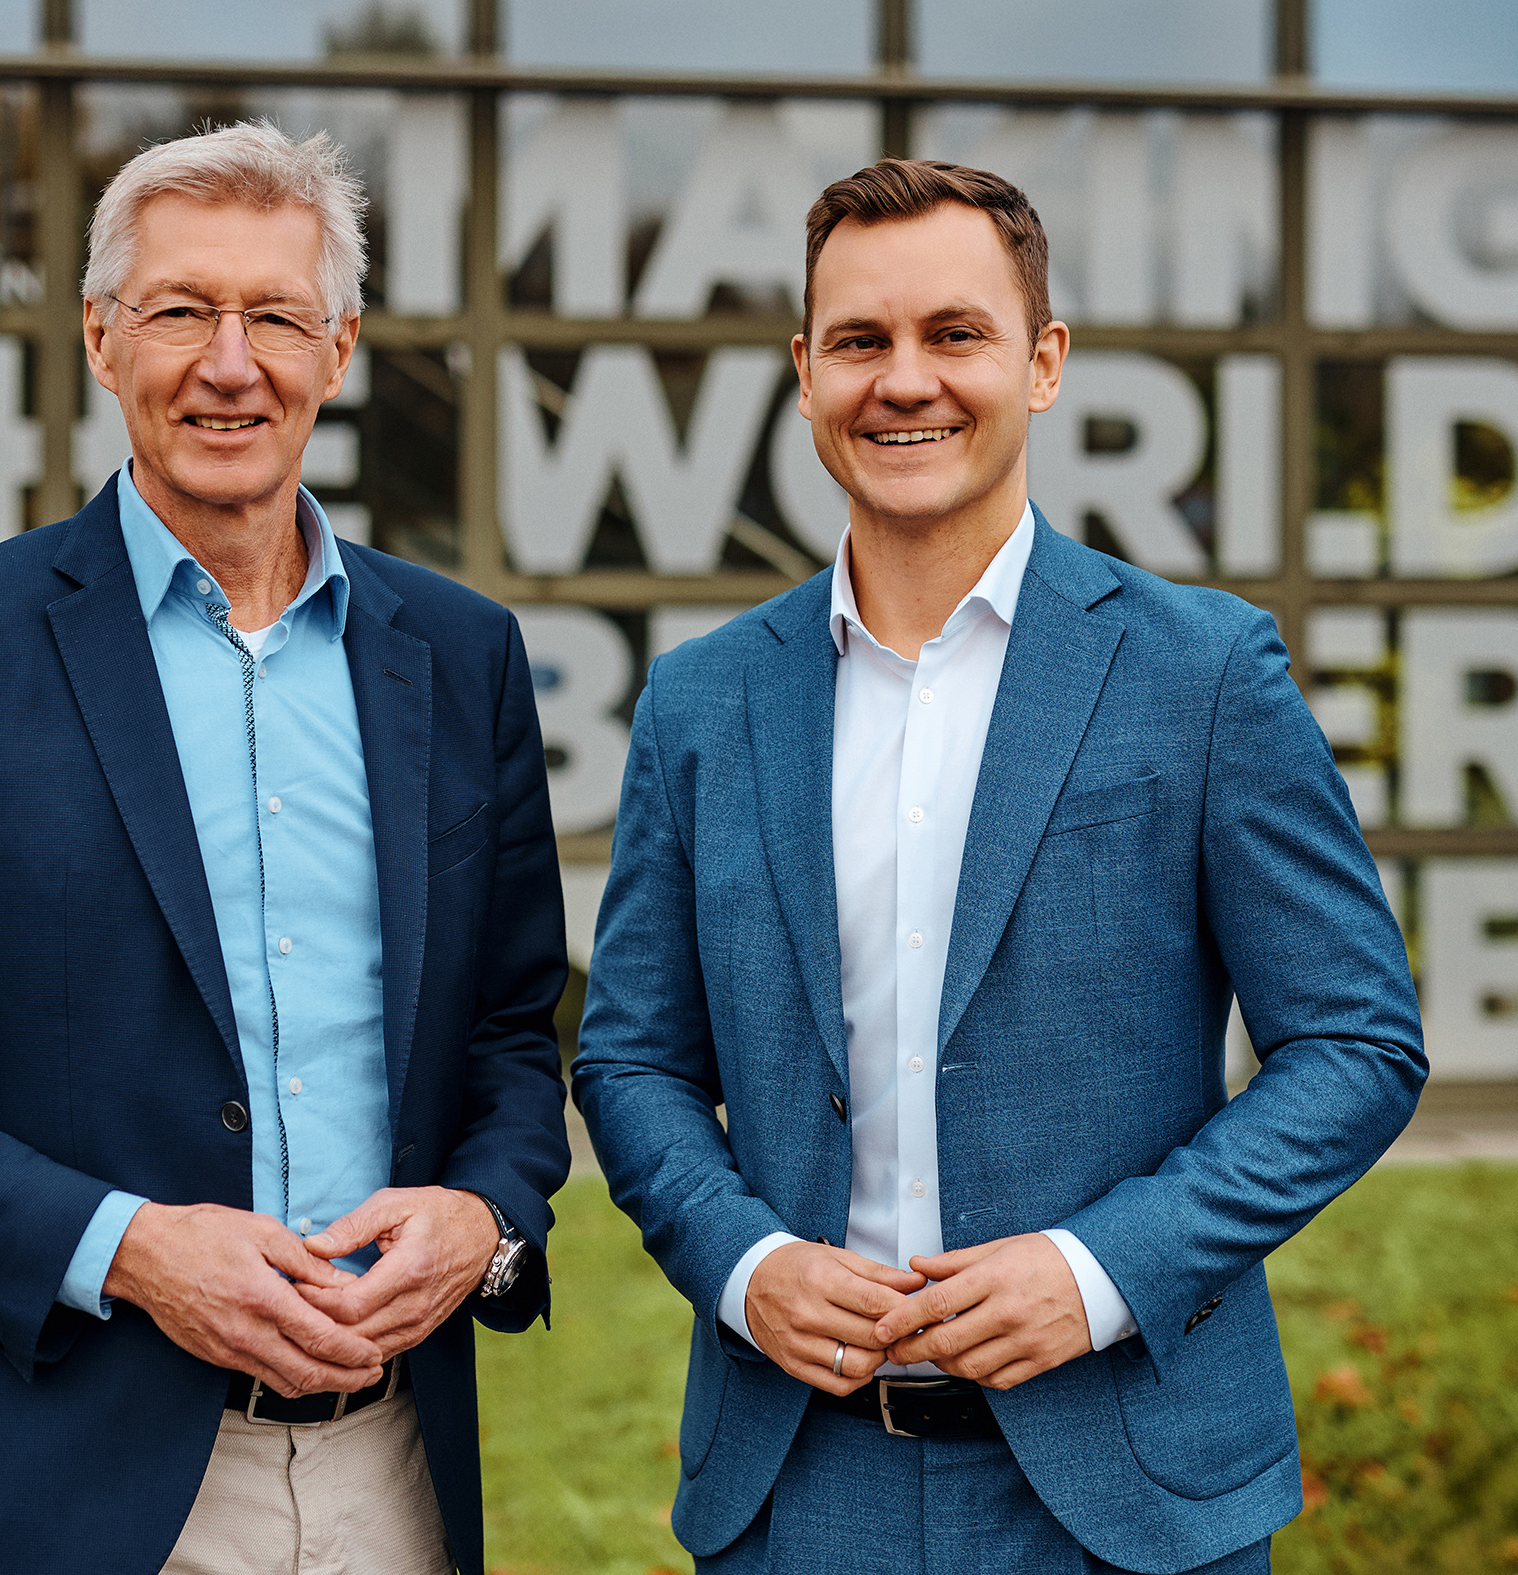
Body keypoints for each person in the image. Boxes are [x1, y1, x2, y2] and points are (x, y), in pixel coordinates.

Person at [570, 158, 1427, 1574]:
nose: (903, 381)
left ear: (1040, 363)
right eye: (860, 341)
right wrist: (745, 1265)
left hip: (1130, 1497)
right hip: (795, 1493)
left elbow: (1353, 1043)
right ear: (803, 374)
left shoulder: (1202, 674)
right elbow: (631, 1063)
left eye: (952, 335)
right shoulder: (701, 702)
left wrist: (1099, 1273)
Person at [0, 121, 571, 1575]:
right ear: (99, 334)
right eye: (181, 309)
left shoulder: (459, 654)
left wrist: (486, 1213)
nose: (228, 361)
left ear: (340, 348)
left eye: (274, 315)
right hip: (79, 1485)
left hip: (400, 1477)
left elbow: (510, 1029)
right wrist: (125, 1248)